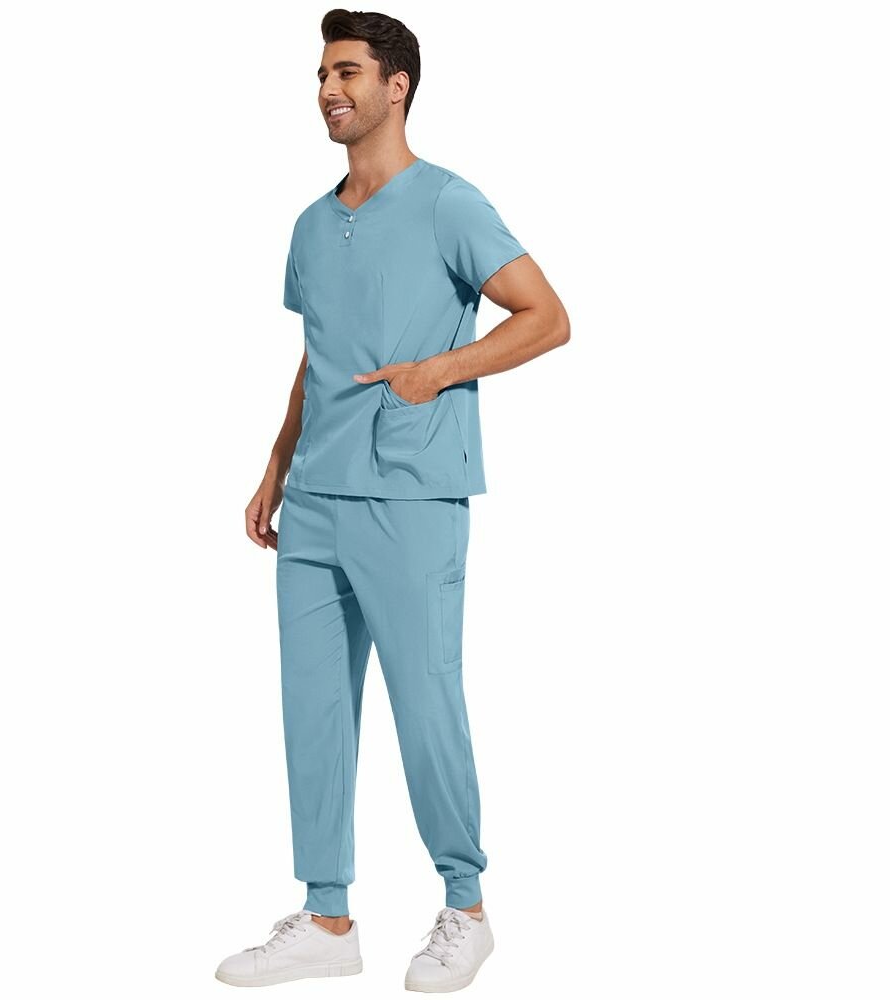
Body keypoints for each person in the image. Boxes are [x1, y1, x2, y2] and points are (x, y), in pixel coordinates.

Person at [218, 8, 569, 993]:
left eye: (347, 72)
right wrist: (276, 462)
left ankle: (466, 907)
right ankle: (327, 917)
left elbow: (546, 316)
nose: (328, 91)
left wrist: (437, 371)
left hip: (411, 495)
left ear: (396, 85)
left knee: (426, 701)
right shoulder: (309, 224)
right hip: (315, 502)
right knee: (314, 710)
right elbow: (319, 353)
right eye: (321, 75)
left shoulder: (449, 203)